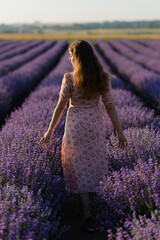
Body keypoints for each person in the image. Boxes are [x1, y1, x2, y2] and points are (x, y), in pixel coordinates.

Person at [38, 40, 127, 232]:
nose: (69, 58)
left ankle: (86, 212)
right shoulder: (102, 77)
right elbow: (110, 106)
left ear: (77, 57)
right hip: (94, 125)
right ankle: (88, 208)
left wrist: (50, 130)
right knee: (92, 164)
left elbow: (61, 106)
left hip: (76, 125)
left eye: (71, 55)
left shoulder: (69, 78)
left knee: (76, 165)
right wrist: (119, 132)